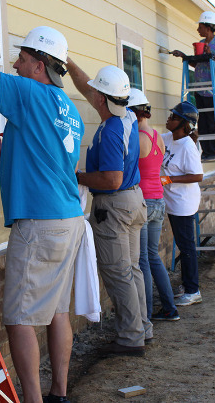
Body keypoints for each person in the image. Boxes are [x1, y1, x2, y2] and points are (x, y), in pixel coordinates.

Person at [0, 1, 85, 403]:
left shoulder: (29, 91)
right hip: (68, 218)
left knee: (20, 319)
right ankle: (58, 394)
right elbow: (50, 155)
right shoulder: (67, 108)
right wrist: (8, 159)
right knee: (57, 311)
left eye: (22, 59)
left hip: (39, 224)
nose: (17, 66)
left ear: (40, 64)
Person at [67, 60, 151, 357]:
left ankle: (131, 338)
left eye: (96, 95)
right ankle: (142, 327)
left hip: (114, 207)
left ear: (102, 99)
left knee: (118, 273)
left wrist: (76, 176)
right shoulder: (126, 115)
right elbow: (88, 85)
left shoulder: (112, 130)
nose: (92, 97)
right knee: (132, 270)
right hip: (134, 202)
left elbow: (111, 179)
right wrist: (68, 62)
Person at [128, 89, 179, 322]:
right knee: (153, 256)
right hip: (158, 200)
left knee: (142, 262)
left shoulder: (137, 138)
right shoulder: (157, 135)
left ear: (134, 112)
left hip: (144, 201)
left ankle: (145, 316)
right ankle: (170, 307)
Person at [160, 102, 204, 306]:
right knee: (183, 244)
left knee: (186, 247)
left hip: (183, 203)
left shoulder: (187, 146)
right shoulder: (168, 138)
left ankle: (193, 291)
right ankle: (187, 286)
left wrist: (170, 179)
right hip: (172, 201)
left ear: (184, 124)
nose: (169, 119)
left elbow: (197, 175)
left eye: (174, 117)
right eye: (171, 115)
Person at [171, 11, 215, 160]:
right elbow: (197, 64)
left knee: (212, 120)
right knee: (202, 120)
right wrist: (184, 56)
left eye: (200, 26)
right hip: (200, 88)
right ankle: (206, 152)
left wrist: (212, 56)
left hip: (212, 88)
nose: (198, 30)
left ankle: (214, 152)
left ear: (208, 28)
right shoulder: (201, 43)